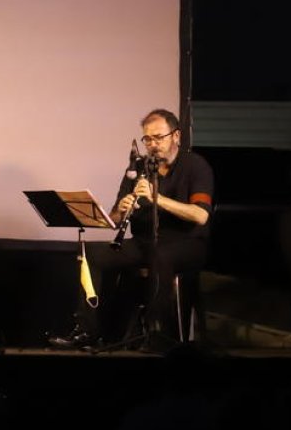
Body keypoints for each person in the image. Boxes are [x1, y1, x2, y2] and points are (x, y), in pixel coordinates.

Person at [48, 108, 214, 350]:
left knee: (161, 255)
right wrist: (123, 209)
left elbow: (200, 215)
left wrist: (157, 198)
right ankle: (87, 330)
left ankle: (157, 332)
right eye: (148, 139)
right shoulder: (138, 168)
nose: (153, 144)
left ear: (176, 136)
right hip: (144, 242)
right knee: (91, 255)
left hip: (187, 242)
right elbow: (114, 219)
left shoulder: (195, 166)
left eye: (159, 137)